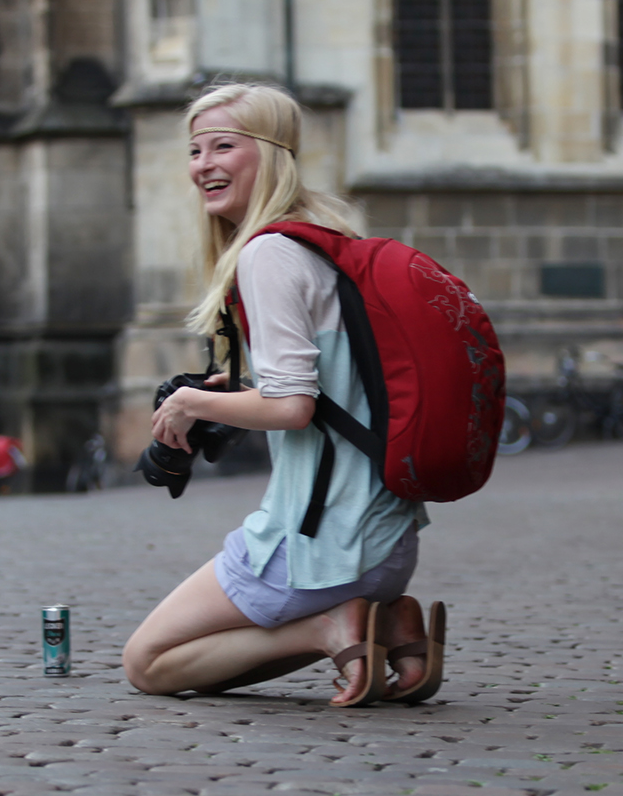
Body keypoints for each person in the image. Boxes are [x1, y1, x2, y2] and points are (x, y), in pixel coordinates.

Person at [120, 83, 437, 708]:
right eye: (194, 150)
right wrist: (235, 393)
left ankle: (329, 627)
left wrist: (189, 405)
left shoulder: (267, 254)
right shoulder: (327, 239)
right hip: (387, 543)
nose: (203, 165)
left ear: (271, 154)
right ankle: (387, 624)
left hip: (319, 547)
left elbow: (293, 408)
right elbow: (329, 391)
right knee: (195, 662)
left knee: (150, 664)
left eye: (223, 147)